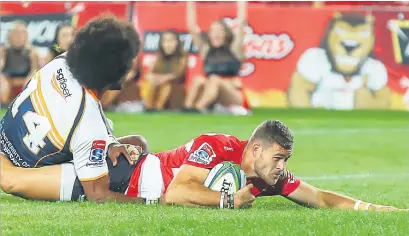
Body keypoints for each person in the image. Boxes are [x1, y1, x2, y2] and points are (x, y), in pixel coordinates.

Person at [1, 120, 406, 212]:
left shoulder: (265, 176)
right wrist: (229, 201)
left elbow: (317, 196)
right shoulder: (218, 146)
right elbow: (176, 192)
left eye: (287, 161)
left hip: (126, 179)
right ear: (256, 149)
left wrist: (376, 210)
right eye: (279, 158)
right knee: (13, 179)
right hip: (118, 177)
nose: (283, 168)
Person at [0, 16, 148, 204]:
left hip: (4, 138)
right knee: (112, 175)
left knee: (136, 143)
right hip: (23, 171)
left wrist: (109, 142)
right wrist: (153, 201)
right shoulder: (87, 119)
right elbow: (98, 196)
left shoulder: (60, 62)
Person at [183, 1, 249, 114]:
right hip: (211, 92)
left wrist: (241, 3)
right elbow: (192, 28)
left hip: (233, 95)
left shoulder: (234, 49)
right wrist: (190, 3)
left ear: (226, 34)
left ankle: (199, 108)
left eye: (219, 31)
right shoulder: (206, 50)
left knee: (214, 79)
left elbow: (242, 23)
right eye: (213, 31)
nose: (216, 34)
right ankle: (187, 108)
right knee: (198, 80)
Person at [145, 30, 188, 112]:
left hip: (175, 91)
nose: (168, 44)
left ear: (177, 43)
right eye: (165, 41)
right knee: (152, 84)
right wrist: (152, 77)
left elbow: (177, 74)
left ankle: (158, 108)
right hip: (158, 86)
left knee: (166, 85)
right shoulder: (159, 56)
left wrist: (161, 79)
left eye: (171, 40)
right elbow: (148, 74)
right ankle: (149, 108)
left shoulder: (182, 56)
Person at [0, 21, 39, 105]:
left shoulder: (32, 52)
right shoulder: (4, 51)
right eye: (16, 33)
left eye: (22, 33)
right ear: (10, 35)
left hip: (25, 79)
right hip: (7, 80)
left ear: (26, 36)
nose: (19, 36)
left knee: (31, 80)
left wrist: (27, 81)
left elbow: (35, 70)